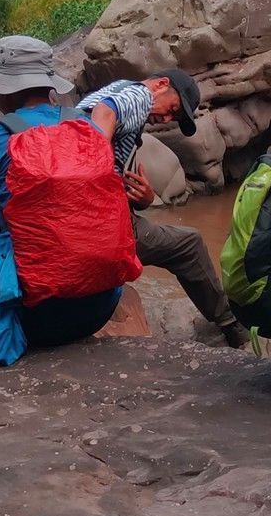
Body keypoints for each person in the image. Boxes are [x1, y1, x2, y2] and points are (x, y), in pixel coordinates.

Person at [0, 36, 125, 353]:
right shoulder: (87, 128)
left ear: (3, 87)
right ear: (47, 84)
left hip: (40, 316)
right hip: (101, 306)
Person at [77, 70, 250, 348]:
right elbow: (106, 112)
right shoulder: (139, 96)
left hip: (75, 213)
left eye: (174, 118)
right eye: (172, 109)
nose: (167, 119)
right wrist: (98, 180)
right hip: (98, 222)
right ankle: (232, 326)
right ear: (161, 85)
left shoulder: (117, 86)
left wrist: (140, 200)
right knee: (189, 244)